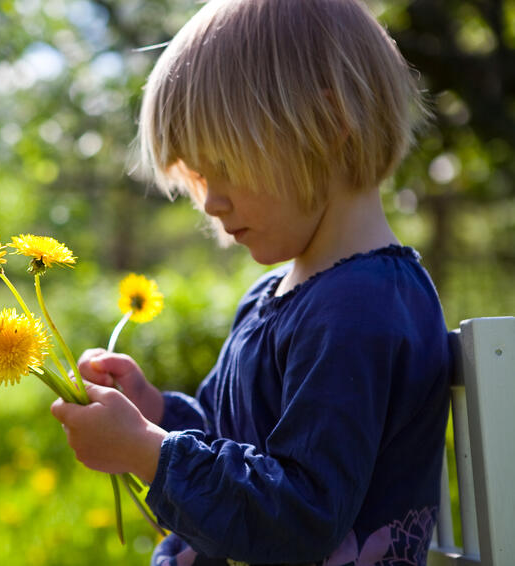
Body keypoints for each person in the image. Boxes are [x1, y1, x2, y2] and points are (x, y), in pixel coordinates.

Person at [50, 0, 452, 565]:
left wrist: (146, 451)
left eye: (223, 164)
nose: (211, 201)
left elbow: (299, 518)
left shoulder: (361, 308)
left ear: (327, 125)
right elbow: (232, 448)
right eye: (199, 174)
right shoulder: (275, 298)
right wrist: (153, 414)